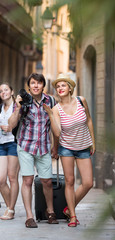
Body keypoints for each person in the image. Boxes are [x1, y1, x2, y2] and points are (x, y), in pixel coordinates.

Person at [43, 73, 95, 227]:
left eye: (63, 85)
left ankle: (67, 208)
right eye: (58, 86)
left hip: (84, 146)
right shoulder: (56, 109)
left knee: (87, 183)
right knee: (70, 181)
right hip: (66, 148)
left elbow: (89, 120)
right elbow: (57, 133)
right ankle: (72, 215)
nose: (60, 88)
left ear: (70, 87)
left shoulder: (81, 100)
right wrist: (51, 115)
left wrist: (93, 142)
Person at [8, 73, 60, 228]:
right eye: (32, 83)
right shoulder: (22, 101)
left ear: (43, 85)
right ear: (28, 85)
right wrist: (17, 108)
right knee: (27, 180)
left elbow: (54, 126)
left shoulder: (50, 101)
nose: (36, 86)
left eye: (39, 83)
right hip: (25, 146)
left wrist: (55, 146)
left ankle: (50, 211)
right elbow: (11, 124)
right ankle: (29, 216)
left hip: (44, 147)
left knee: (47, 181)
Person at [0, 83, 19, 220]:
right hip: (2, 144)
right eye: (1, 91)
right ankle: (10, 207)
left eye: (6, 90)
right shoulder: (0, 108)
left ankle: (11, 209)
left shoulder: (17, 106)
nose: (3, 92)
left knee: (12, 177)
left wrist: (9, 127)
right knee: (1, 179)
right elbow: (3, 126)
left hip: (14, 143)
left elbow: (14, 124)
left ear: (12, 91)